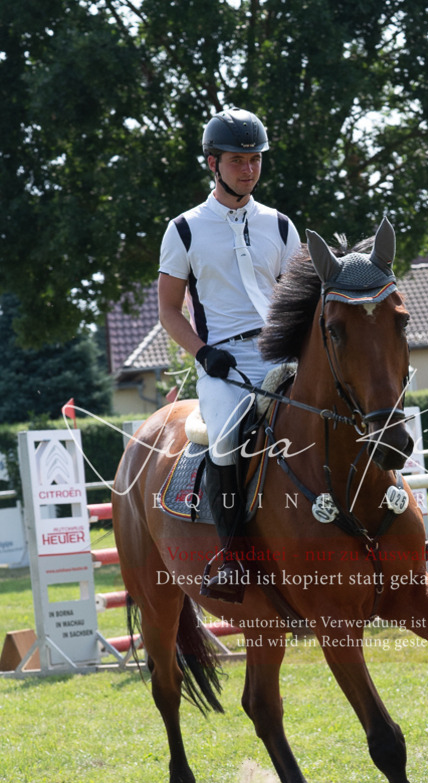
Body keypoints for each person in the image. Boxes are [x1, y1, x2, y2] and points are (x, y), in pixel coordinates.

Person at [158, 108, 301, 600]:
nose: (249, 169)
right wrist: (202, 354)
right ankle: (235, 557)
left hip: (282, 354)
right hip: (225, 363)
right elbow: (169, 311)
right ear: (212, 163)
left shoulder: (280, 226)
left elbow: (300, 300)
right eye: (238, 160)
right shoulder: (184, 229)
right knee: (224, 440)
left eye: (256, 159)